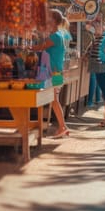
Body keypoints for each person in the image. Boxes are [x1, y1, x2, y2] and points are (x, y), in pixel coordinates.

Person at [31, 9, 70, 138]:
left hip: (54, 72)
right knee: (54, 100)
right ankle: (63, 126)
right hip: (56, 72)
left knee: (54, 100)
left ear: (53, 21)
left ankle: (62, 126)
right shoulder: (58, 35)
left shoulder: (55, 36)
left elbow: (41, 47)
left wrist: (28, 47)